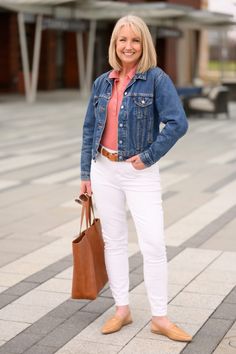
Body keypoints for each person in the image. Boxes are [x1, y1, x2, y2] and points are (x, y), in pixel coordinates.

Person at [80, 15, 192, 342]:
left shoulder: (156, 79)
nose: (128, 46)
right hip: (103, 168)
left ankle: (160, 317)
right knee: (114, 241)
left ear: (144, 45)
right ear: (114, 45)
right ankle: (122, 309)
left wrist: (148, 157)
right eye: (122, 40)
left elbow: (177, 123)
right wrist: (85, 174)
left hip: (138, 172)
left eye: (135, 40)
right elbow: (89, 129)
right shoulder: (103, 82)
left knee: (153, 243)